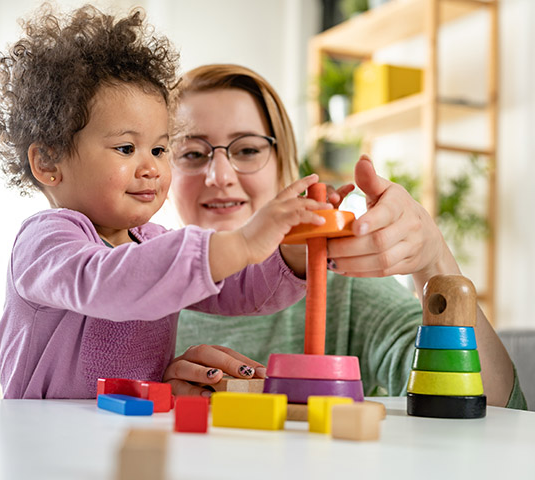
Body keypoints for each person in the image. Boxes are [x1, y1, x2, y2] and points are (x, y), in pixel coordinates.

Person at [0, 6, 333, 399]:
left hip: (132, 431)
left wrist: (292, 254)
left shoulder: (153, 241)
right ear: (48, 162)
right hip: (46, 437)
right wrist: (242, 242)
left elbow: (237, 287)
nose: (152, 168)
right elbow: (110, 281)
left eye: (161, 149)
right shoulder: (46, 241)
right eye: (126, 148)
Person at [164, 64, 527, 409]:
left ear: (282, 164)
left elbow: (490, 408)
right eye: (192, 153)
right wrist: (150, 392)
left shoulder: (342, 286)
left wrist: (434, 262)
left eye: (247, 150)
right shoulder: (130, 286)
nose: (220, 175)